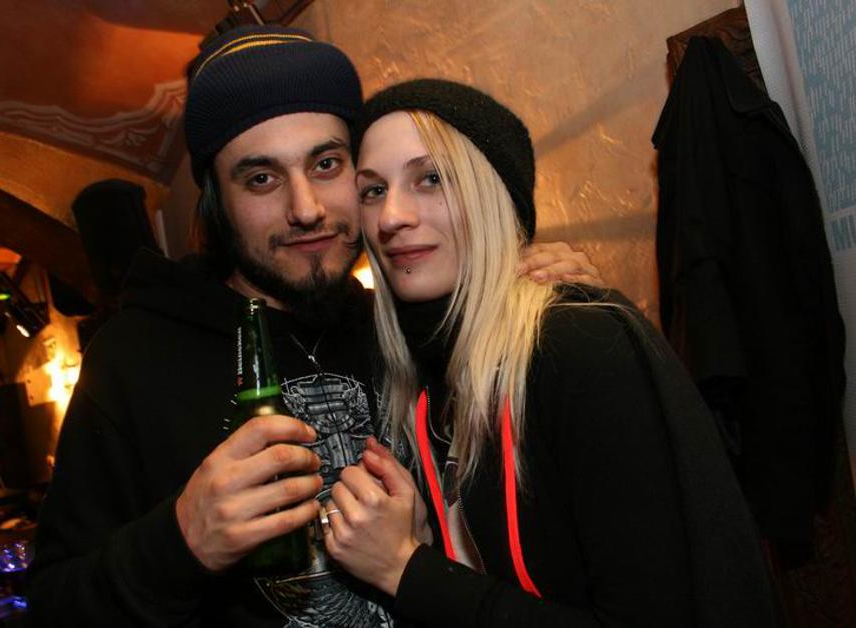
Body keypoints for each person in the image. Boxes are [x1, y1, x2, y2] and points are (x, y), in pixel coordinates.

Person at [27, 26, 599, 627]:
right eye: (261, 178)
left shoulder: (403, 325)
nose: (306, 209)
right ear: (217, 202)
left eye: (326, 164)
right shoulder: (134, 357)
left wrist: (526, 287)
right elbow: (54, 606)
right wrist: (181, 540)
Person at [321, 79, 779, 627]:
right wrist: (423, 547)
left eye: (432, 178)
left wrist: (405, 569)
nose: (391, 216)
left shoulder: (579, 347)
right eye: (373, 190)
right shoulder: (425, 375)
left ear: (493, 195)